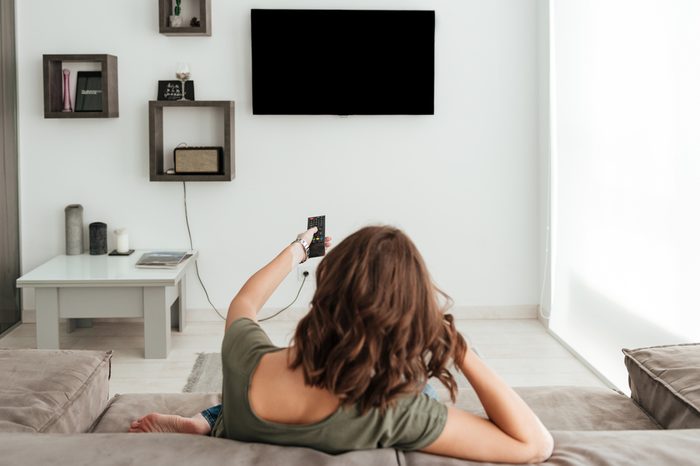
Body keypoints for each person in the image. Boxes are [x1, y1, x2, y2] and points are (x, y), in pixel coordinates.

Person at [130, 226, 553, 463]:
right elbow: (534, 445)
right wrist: (457, 346)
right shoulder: (396, 411)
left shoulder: (245, 359)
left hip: (249, 414)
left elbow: (244, 303)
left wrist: (296, 250)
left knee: (237, 393)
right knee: (421, 383)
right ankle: (211, 420)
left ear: (326, 293)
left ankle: (213, 421)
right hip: (364, 406)